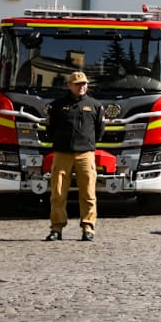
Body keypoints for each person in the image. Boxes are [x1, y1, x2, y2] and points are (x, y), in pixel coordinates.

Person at [45, 71, 103, 242]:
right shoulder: (57, 105)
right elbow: (50, 128)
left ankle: (88, 228)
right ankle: (56, 229)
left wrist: (88, 143)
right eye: (77, 84)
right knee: (57, 193)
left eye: (84, 83)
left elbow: (100, 130)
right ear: (69, 85)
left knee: (88, 193)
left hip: (85, 154)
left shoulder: (95, 105)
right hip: (62, 154)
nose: (81, 87)